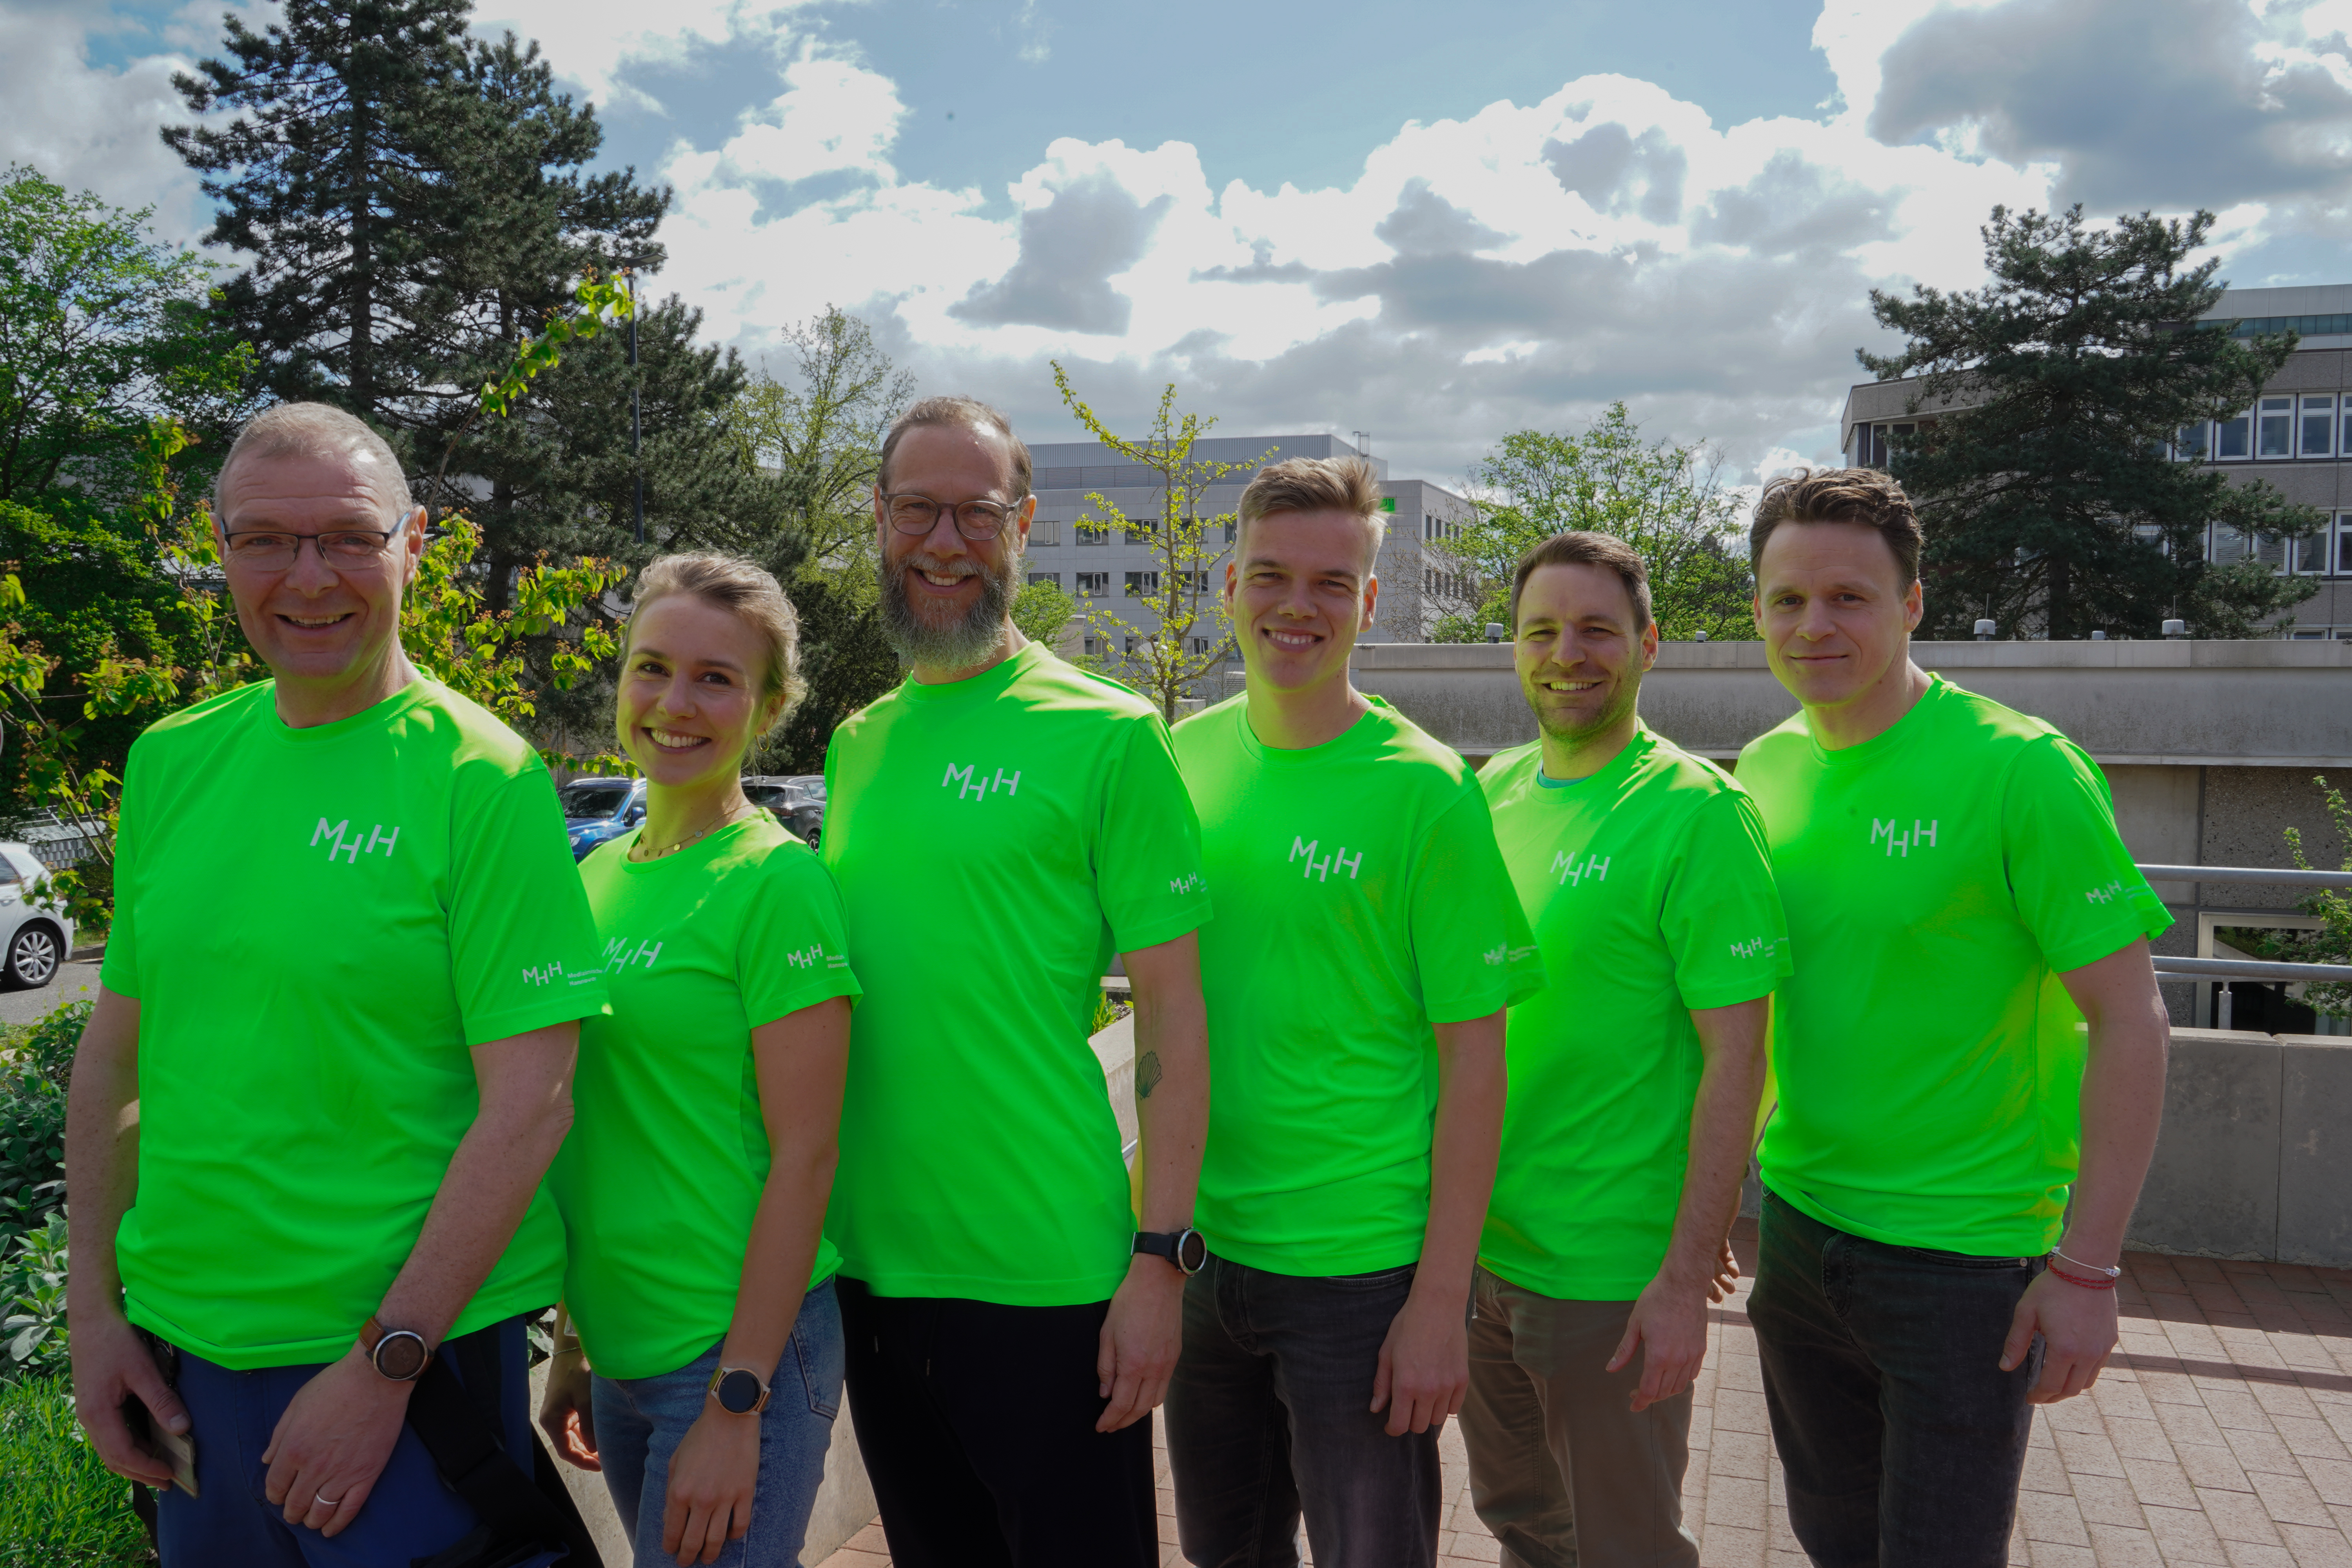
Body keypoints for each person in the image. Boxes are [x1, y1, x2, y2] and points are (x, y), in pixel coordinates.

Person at [65, 403, 610, 1567]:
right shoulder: (171, 762)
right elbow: (116, 1057)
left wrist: (385, 1364)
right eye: (266, 539)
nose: (308, 578)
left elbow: (533, 1106)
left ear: (415, 544)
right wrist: (97, 1315)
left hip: (404, 1374)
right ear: (220, 552)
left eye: (349, 539)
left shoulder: (483, 777)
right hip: (189, 1367)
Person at [1734, 468, 2172, 1567]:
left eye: (1849, 597)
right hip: (1796, 1234)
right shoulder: (1768, 767)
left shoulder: (2020, 771)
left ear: (1913, 604)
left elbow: (2133, 1020)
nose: (1814, 624)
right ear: (1757, 611)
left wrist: (2088, 1270)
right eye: (1788, 599)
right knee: (1834, 1544)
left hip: (1961, 1266)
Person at [818, 396, 1213, 1568]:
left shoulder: (1109, 735)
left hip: (1049, 1281)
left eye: (975, 514)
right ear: (879, 522)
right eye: (917, 510)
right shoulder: (857, 743)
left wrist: (1161, 1262)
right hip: (875, 1277)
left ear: (1024, 526)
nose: (944, 542)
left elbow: (1181, 1030)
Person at [1165, 456, 1542, 1568]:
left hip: (1359, 1278)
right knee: (1225, 1554)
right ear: (1230, 585)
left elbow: (1478, 1067)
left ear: (1371, 603)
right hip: (1198, 1252)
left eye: (1333, 583)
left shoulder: (1424, 789)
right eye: (1273, 575)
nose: (1298, 606)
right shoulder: (1176, 760)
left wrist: (1440, 1302)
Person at [1464, 531, 1786, 1568]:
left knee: (1624, 1547)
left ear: (1650, 645)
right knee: (1524, 1528)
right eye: (1543, 630)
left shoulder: (1698, 814)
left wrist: (1687, 1269)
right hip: (1481, 1256)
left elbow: (1741, 1060)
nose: (1570, 653)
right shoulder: (1489, 795)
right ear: (1514, 648)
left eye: (1599, 629)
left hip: (1605, 1273)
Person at [537, 554, 860, 1568]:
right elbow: (591, 1129)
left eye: (717, 678)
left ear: (768, 710)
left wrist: (739, 1401)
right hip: (623, 1354)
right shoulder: (591, 878)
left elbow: (808, 1156)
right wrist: (577, 1348)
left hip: (733, 1359)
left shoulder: (776, 885)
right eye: (652, 667)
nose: (675, 703)